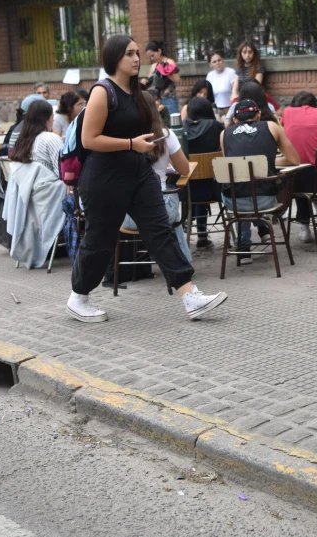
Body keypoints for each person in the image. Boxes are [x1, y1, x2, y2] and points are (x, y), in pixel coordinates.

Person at [67, 34, 228, 323]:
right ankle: (79, 296)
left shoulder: (141, 95)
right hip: (104, 176)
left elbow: (148, 135)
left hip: (138, 172)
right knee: (99, 240)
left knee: (160, 231)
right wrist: (131, 144)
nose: (136, 58)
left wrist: (147, 146)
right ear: (114, 58)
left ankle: (189, 296)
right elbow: (89, 139)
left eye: (137, 53)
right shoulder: (103, 92)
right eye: (129, 53)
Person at [219, 98, 300, 262]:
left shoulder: (224, 134)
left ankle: (243, 249)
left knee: (238, 189)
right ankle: (263, 229)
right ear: (259, 114)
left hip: (235, 202)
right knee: (257, 189)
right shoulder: (271, 126)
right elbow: (294, 160)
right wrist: (268, 161)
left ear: (235, 119)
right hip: (266, 200)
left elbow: (231, 167)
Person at [121, 90, 192, 262]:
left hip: (125, 216)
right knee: (169, 198)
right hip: (160, 212)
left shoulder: (121, 138)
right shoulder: (165, 134)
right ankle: (182, 262)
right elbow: (184, 169)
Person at [3, 100, 67, 268]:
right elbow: (62, 172)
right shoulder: (50, 138)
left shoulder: (22, 140)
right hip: (48, 200)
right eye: (52, 117)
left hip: (27, 203)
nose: (53, 120)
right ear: (47, 118)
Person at [281, 91, 317, 243]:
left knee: (298, 169)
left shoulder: (287, 112)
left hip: (300, 183)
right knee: (313, 162)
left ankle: (305, 227)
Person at [182, 95, 223, 249]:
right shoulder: (215, 126)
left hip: (186, 191)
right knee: (204, 178)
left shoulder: (181, 127)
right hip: (215, 188)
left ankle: (197, 232)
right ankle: (202, 235)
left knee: (196, 179)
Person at [143, 41, 181, 115]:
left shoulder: (169, 62)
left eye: (153, 55)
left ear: (159, 51)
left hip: (169, 99)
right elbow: (151, 85)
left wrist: (166, 71)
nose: (152, 58)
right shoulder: (153, 66)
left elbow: (177, 79)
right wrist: (146, 81)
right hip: (157, 101)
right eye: (150, 57)